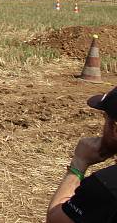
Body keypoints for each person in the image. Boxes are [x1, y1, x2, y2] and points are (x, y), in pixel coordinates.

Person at [47, 85, 117, 222]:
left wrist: (78, 164)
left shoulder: (105, 187)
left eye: (105, 118)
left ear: (115, 129)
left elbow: (56, 219)